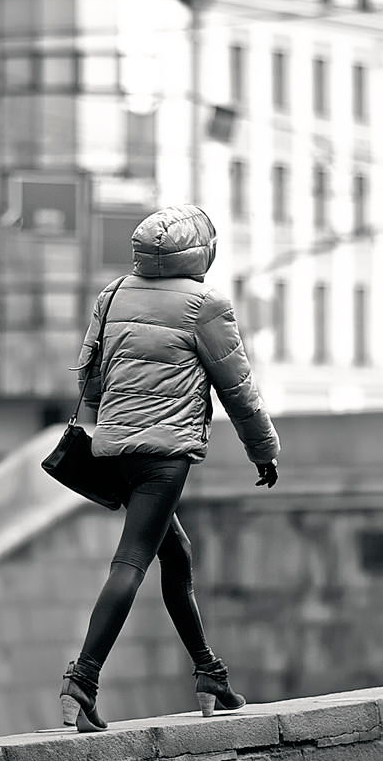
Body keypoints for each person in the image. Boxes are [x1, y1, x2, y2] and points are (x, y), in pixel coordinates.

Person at [60, 204, 280, 732]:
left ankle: (210, 674)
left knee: (175, 555)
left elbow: (90, 381)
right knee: (131, 562)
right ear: (201, 252)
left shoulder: (111, 295)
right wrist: (263, 449)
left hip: (111, 449)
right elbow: (238, 390)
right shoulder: (205, 305)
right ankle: (82, 681)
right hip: (165, 456)